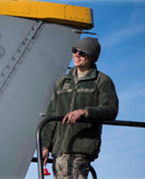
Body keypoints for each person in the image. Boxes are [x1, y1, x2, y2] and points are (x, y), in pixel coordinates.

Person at [41, 37, 119, 179]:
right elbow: (51, 115)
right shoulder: (61, 82)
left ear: (92, 57)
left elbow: (111, 110)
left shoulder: (102, 81)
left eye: (82, 52)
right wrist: (45, 146)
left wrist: (85, 112)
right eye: (74, 50)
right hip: (58, 152)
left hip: (79, 151)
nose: (76, 54)